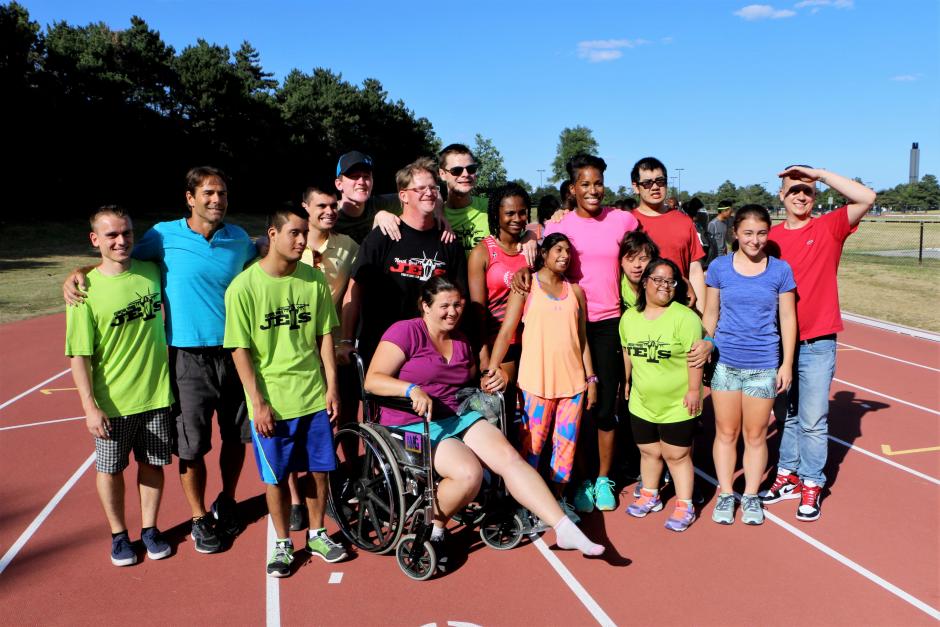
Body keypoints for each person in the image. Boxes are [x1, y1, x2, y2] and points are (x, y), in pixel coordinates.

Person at [64, 167, 257, 554]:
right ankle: (200, 517)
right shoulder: (163, 236)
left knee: (237, 438)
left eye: (221, 193)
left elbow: (269, 251)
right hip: (187, 357)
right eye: (208, 193)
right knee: (192, 446)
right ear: (190, 197)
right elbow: (116, 258)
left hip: (236, 351)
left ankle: (228, 501)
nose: (216, 200)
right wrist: (76, 272)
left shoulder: (238, 238)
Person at [365, 277, 604, 570]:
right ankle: (436, 524)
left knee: (509, 458)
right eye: (444, 306)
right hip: (411, 423)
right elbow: (373, 380)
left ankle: (564, 528)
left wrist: (494, 379)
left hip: (455, 415)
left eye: (457, 305)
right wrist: (410, 389)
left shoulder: (462, 340)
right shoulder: (405, 332)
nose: (452, 312)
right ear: (425, 306)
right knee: (468, 474)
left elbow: (471, 383)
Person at [224, 205, 348, 578]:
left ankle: (317, 534)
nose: (301, 240)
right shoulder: (244, 287)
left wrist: (332, 387)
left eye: (304, 233)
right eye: (293, 233)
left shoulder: (313, 281)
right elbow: (238, 349)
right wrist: (257, 402)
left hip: (312, 396)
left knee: (320, 470)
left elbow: (325, 335)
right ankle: (281, 543)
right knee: (276, 478)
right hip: (273, 404)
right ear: (272, 235)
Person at [516, 154, 640, 514]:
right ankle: (579, 477)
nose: (593, 190)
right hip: (569, 323)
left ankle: (603, 479)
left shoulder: (622, 219)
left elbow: (644, 251)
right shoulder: (563, 224)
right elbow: (535, 249)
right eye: (585, 184)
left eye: (598, 183)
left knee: (604, 407)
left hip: (608, 324)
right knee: (573, 408)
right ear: (572, 189)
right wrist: (526, 269)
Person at [762, 166, 875, 521]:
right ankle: (788, 473)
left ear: (815, 196)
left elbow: (867, 197)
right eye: (793, 190)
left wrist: (818, 174)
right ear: (780, 196)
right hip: (778, 341)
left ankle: (812, 481)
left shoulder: (829, 227)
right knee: (787, 415)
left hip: (817, 341)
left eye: (806, 191)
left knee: (812, 419)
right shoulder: (772, 238)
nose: (800, 195)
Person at [65, 206, 175, 566]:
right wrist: (89, 407)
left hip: (156, 395)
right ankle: (118, 535)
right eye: (111, 235)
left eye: (126, 233)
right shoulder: (84, 290)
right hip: (112, 403)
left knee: (152, 464)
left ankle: (149, 529)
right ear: (95, 240)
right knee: (110, 470)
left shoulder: (152, 272)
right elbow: (79, 355)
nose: (121, 240)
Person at [484, 233, 595, 522]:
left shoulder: (576, 292)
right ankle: (528, 504)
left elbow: (582, 340)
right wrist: (493, 367)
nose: (564, 255)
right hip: (535, 382)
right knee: (530, 447)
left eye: (568, 251)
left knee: (566, 448)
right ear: (543, 253)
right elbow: (507, 330)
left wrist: (591, 378)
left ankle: (559, 502)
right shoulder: (526, 287)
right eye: (557, 249)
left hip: (573, 385)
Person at [702, 205, 797, 526]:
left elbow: (787, 318)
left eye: (761, 233)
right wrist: (705, 343)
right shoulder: (719, 268)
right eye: (748, 233)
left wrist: (786, 363)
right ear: (735, 234)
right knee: (726, 433)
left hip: (763, 365)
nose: (755, 240)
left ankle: (752, 495)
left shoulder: (780, 271)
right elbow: (711, 313)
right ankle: (727, 493)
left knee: (755, 435)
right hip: (725, 364)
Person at [338, 157, 467, 366]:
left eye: (433, 188)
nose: (429, 193)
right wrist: (346, 340)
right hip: (381, 348)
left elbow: (462, 298)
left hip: (430, 353)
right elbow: (355, 289)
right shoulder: (382, 237)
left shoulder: (448, 241)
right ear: (403, 196)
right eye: (421, 188)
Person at [285, 185, 360, 532]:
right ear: (305, 206)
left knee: (336, 417)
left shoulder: (348, 247)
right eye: (321, 206)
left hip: (332, 345)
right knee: (294, 424)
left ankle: (337, 484)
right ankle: (297, 498)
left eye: (333, 206)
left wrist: (345, 339)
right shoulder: (287, 245)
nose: (329, 211)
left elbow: (351, 294)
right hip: (293, 349)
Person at [620, 259, 704, 532]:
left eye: (670, 281)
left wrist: (694, 391)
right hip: (642, 402)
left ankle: (684, 504)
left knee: (677, 455)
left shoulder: (685, 318)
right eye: (658, 279)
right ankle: (650, 494)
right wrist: (628, 380)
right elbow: (628, 352)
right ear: (645, 282)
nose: (664, 286)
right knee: (648, 451)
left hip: (678, 403)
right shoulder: (629, 318)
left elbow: (695, 358)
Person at [468, 183, 532, 420]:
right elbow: (478, 309)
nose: (517, 218)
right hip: (500, 344)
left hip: (533, 342)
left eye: (522, 212)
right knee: (502, 410)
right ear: (497, 215)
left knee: (529, 410)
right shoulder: (482, 252)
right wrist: (483, 352)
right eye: (510, 213)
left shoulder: (532, 248)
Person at [629, 157, 706, 312]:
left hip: (679, 309)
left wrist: (701, 315)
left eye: (660, 181)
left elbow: (695, 270)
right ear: (636, 187)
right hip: (639, 311)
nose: (655, 187)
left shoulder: (683, 221)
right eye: (647, 183)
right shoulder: (627, 222)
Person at [333, 151, 400, 244]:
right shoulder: (330, 215)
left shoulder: (380, 204)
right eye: (354, 176)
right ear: (339, 184)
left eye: (366, 176)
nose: (361, 182)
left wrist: (382, 214)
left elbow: (414, 197)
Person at [705, 200, 734, 268]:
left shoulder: (725, 222)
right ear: (724, 211)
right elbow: (709, 244)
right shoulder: (713, 224)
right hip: (715, 258)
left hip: (723, 256)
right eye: (730, 212)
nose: (731, 213)